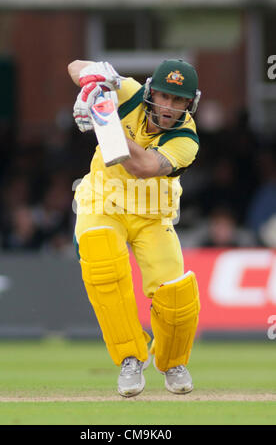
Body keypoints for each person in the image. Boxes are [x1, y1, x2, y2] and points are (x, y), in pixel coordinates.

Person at [68, 59, 201, 397]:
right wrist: (96, 80)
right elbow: (74, 66)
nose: (168, 107)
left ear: (190, 103)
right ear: (150, 90)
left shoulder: (186, 139)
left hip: (153, 215)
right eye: (163, 96)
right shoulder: (128, 92)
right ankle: (130, 357)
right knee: (103, 266)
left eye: (178, 100)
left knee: (175, 294)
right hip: (102, 203)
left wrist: (104, 119)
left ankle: (172, 361)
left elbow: (143, 167)